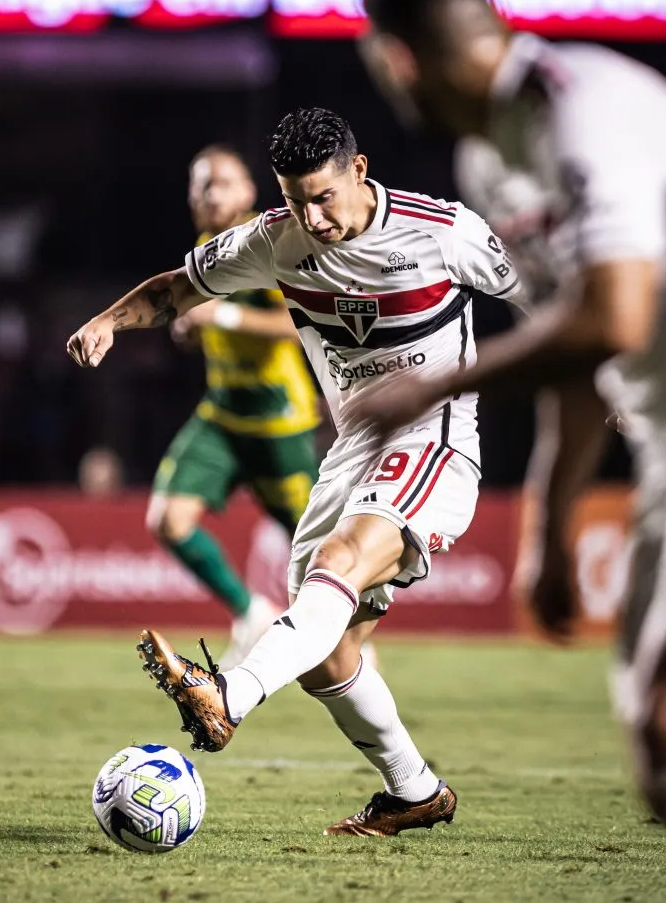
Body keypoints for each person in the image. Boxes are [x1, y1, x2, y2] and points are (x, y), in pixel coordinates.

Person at [68, 107, 526, 836]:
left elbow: (550, 297)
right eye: (295, 200)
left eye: (323, 197)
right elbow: (175, 290)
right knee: (326, 653)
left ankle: (228, 694)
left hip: (434, 440)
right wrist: (106, 322)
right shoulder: (273, 239)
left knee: (338, 564)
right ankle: (413, 790)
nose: (312, 218)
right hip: (351, 452)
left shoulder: (442, 231)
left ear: (359, 171)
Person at [358, 0, 666, 851]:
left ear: (396, 60)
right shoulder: (488, 165)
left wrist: (431, 387)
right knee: (662, 757)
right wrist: (548, 532)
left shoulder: (579, 102)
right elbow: (574, 354)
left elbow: (611, 317)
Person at [146, 145, 321, 668]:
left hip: (279, 423)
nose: (208, 194)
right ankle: (252, 614)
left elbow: (300, 324)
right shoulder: (205, 250)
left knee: (316, 550)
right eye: (200, 185)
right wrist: (190, 331)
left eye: (221, 182)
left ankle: (349, 647)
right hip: (223, 416)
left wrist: (220, 318)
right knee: (167, 519)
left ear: (248, 191)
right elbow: (205, 323)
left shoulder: (270, 246)